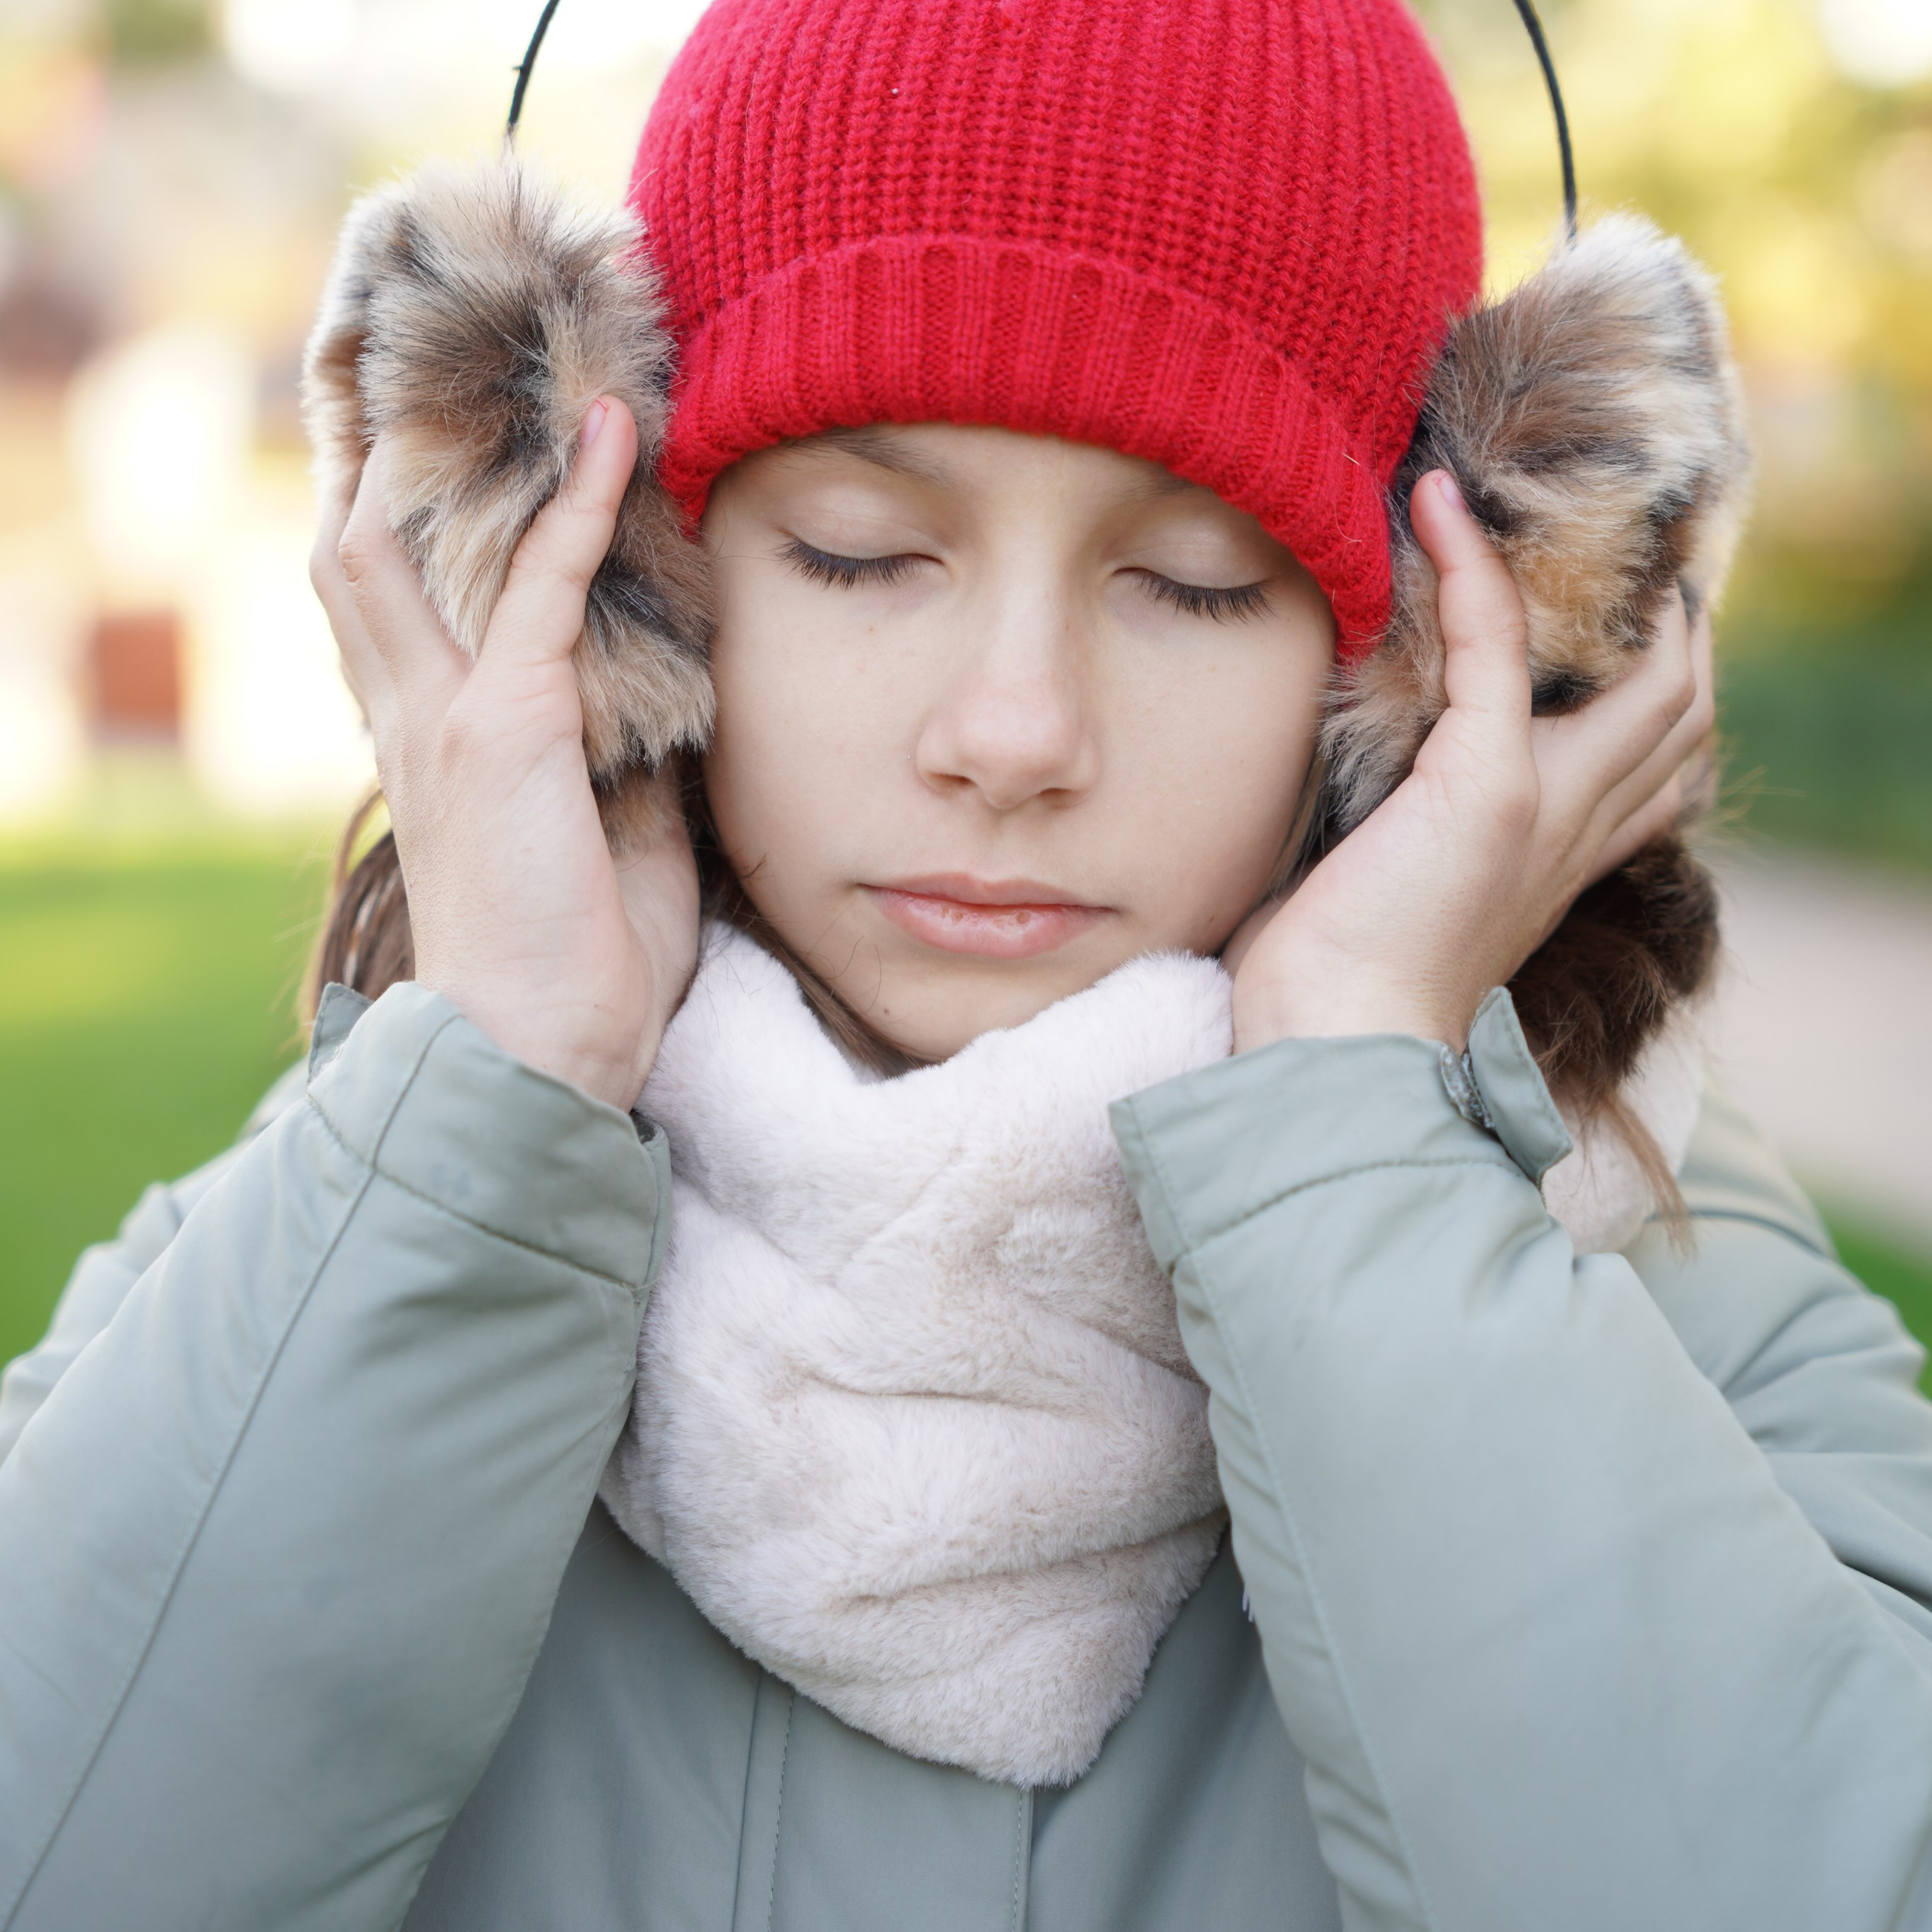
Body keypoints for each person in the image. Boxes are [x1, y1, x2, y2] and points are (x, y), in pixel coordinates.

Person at [5, 0, 1932, 1927]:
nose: (1011, 731)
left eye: (1192, 580)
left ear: (1438, 651)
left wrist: (1351, 1118)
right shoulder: (340, 1239)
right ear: (608, 585)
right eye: (855, 549)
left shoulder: (1674, 1280)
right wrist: (502, 1081)